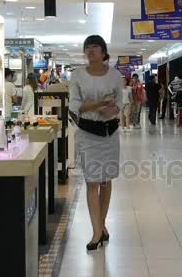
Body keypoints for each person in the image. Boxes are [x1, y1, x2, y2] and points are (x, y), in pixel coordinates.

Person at [69, 35, 123, 251]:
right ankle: (96, 232)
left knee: (106, 180)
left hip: (110, 133)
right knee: (92, 181)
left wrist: (113, 109)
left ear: (103, 51)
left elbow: (120, 101)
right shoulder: (78, 75)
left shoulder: (115, 75)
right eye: (87, 47)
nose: (90, 50)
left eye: (95, 47)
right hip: (88, 133)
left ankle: (101, 226)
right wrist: (100, 104)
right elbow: (75, 106)